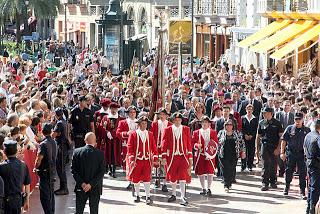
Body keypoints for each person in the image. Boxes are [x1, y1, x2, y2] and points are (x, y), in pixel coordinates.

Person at [161, 112, 192, 206]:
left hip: (183, 156)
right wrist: (163, 157)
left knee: (183, 176)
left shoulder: (186, 129)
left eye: (179, 120)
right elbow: (164, 144)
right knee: (172, 176)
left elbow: (189, 144)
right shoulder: (168, 130)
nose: (177, 121)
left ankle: (182, 196)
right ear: (173, 120)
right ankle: (173, 194)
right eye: (176, 120)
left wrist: (190, 157)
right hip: (172, 157)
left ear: (181, 120)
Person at [127, 116, 158, 205]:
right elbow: (130, 148)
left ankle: (148, 196)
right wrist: (132, 159)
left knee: (147, 179)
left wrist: (155, 157)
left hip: (147, 160)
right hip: (137, 160)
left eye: (145, 123)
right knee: (136, 179)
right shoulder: (133, 134)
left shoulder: (150, 134)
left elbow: (154, 147)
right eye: (142, 123)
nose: (144, 125)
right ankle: (137, 195)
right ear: (139, 124)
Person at [71, 132, 105, 214]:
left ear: (84, 140)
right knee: (94, 211)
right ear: (95, 141)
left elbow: (73, 170)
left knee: (79, 211)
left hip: (81, 187)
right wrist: (90, 184)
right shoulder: (100, 154)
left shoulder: (76, 152)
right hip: (95, 187)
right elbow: (101, 172)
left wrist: (82, 183)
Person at [280, 112, 310, 199]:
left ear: (302, 120)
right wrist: (282, 152)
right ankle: (286, 187)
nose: (298, 121)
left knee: (302, 173)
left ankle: (302, 191)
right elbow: (284, 140)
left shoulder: (307, 130)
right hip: (291, 153)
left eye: (299, 119)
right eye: (296, 119)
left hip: (302, 154)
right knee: (289, 171)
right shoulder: (290, 128)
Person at [256, 107, 284, 191]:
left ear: (271, 113)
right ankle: (265, 183)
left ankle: (273, 181)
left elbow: (281, 136)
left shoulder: (277, 123)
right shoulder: (261, 123)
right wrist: (256, 149)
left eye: (266, 113)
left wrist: (278, 148)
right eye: (264, 113)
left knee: (273, 164)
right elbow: (258, 136)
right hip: (264, 145)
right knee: (265, 164)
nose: (265, 114)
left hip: (274, 146)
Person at [0, 140, 30, 214]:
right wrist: (27, 201)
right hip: (18, 200)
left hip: (5, 202)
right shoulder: (23, 165)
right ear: (16, 151)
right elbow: (27, 184)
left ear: (4, 151)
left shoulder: (2, 166)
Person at [192, 116, 218, 196]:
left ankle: (209, 188)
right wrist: (196, 145)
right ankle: (203, 188)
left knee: (210, 172)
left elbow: (216, 144)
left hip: (210, 155)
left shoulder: (213, 132)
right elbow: (192, 143)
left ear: (209, 123)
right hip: (200, 155)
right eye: (203, 122)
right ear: (201, 123)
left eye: (206, 122)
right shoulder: (196, 132)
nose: (204, 124)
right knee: (201, 172)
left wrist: (211, 151)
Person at [34, 123, 57, 214]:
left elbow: (39, 158)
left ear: (42, 132)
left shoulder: (43, 144)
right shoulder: (53, 141)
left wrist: (35, 167)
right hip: (51, 171)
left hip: (45, 172)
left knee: (45, 196)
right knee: (51, 194)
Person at [218, 119, 246, 192]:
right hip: (223, 154)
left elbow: (242, 143)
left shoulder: (237, 133)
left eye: (230, 125)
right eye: (227, 125)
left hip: (234, 154)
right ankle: (226, 185)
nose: (229, 126)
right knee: (225, 169)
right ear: (225, 126)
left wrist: (243, 152)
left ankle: (230, 182)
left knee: (232, 169)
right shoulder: (221, 133)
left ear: (233, 126)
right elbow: (217, 142)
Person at [150, 107, 172, 191]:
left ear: (166, 115)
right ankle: (156, 180)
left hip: (166, 147)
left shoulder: (169, 124)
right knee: (156, 163)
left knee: (165, 163)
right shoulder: (154, 123)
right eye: (160, 114)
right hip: (156, 146)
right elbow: (151, 135)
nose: (162, 116)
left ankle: (164, 183)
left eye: (163, 114)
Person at [116, 106, 138, 190]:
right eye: (131, 112)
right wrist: (126, 133)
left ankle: (136, 180)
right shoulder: (122, 122)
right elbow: (118, 133)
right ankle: (130, 181)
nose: (132, 114)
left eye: (134, 112)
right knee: (128, 163)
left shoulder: (139, 122)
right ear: (128, 113)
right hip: (126, 145)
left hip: (137, 146)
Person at [100, 102, 122, 178]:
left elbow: (120, 128)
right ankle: (109, 168)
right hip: (107, 139)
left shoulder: (119, 118)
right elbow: (102, 127)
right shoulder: (105, 117)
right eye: (112, 108)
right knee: (108, 154)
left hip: (116, 140)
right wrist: (106, 132)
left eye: (115, 109)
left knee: (114, 154)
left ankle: (114, 170)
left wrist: (113, 134)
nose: (114, 110)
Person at [304, 119, 320, 214]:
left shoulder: (308, 135)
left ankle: (309, 207)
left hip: (309, 163)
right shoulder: (318, 137)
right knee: (315, 187)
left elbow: (304, 147)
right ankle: (312, 209)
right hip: (316, 165)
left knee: (311, 186)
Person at [52, 107, 69, 195]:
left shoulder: (59, 123)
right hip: (63, 146)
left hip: (61, 147)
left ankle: (64, 188)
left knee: (61, 168)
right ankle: (63, 187)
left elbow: (53, 135)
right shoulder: (64, 122)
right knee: (61, 168)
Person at [241, 104, 259, 172]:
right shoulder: (243, 118)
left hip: (252, 137)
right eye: (248, 109)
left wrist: (252, 135)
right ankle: (243, 166)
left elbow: (256, 129)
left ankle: (249, 166)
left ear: (252, 110)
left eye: (250, 109)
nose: (249, 110)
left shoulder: (255, 118)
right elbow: (241, 128)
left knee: (251, 152)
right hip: (244, 137)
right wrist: (244, 134)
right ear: (246, 110)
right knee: (244, 151)